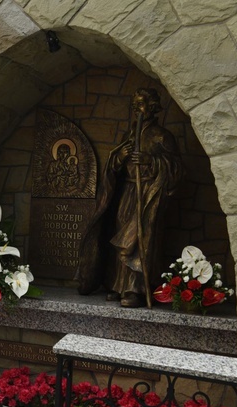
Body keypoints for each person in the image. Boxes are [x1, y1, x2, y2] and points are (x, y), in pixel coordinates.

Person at [77, 88, 184, 307]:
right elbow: (115, 165)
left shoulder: (161, 136)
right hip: (126, 192)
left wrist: (150, 161)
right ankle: (118, 285)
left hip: (147, 194)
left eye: (141, 104)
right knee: (118, 234)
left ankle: (136, 289)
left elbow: (176, 169)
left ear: (153, 107)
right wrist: (118, 158)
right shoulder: (129, 134)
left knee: (138, 239)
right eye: (134, 105)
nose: (136, 108)